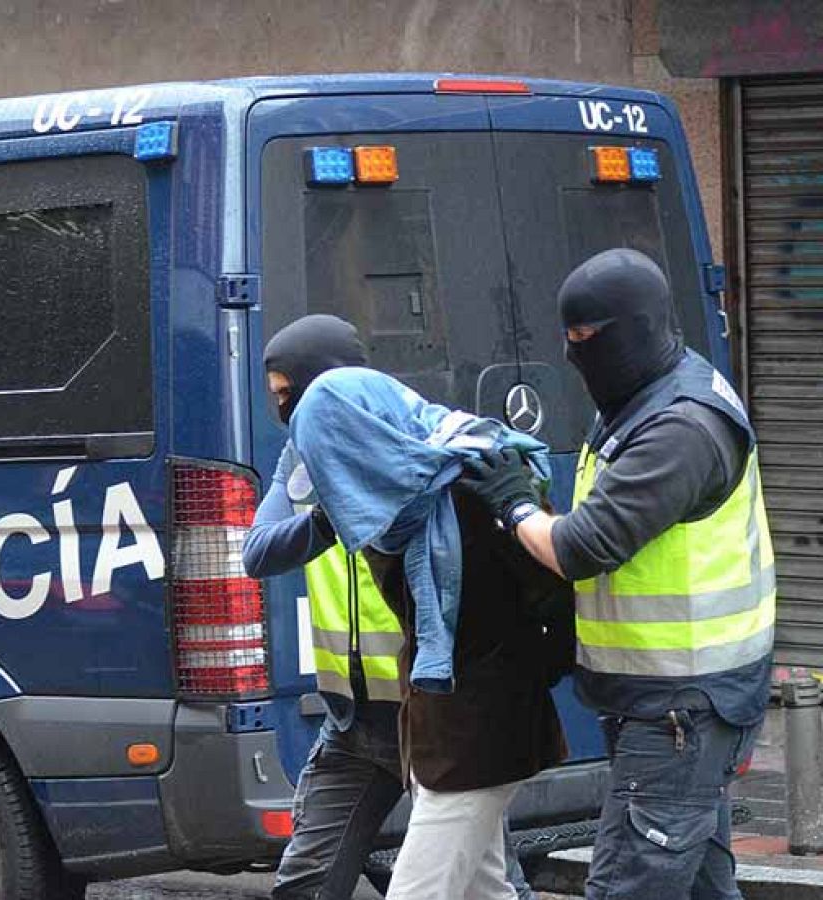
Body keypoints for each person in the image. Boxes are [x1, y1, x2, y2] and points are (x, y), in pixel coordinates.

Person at [460, 248, 774, 899]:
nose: (575, 356)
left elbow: (584, 545)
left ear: (636, 330)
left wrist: (514, 503)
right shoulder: (639, 396)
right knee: (700, 886)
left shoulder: (681, 427)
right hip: (665, 699)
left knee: (628, 885)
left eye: (587, 340)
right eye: (567, 340)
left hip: (683, 705)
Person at [245, 316, 538, 900]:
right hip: (353, 722)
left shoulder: (423, 457)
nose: (284, 412)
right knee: (306, 883)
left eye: (288, 395)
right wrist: (334, 513)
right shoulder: (304, 460)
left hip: (431, 713)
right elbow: (258, 551)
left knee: (485, 883)